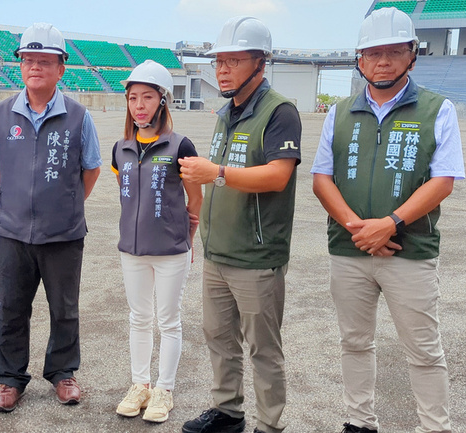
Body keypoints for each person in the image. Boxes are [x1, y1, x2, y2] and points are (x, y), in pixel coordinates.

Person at [311, 8, 464, 433]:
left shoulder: (438, 110)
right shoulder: (339, 113)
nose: (383, 61)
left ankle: (434, 427)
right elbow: (321, 178)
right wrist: (360, 228)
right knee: (355, 343)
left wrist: (390, 223)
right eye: (373, 53)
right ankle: (360, 423)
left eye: (394, 51)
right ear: (359, 59)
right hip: (349, 250)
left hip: (410, 252)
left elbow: (443, 180)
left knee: (424, 350)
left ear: (412, 55)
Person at [179, 16, 301, 433]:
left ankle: (269, 425)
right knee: (219, 338)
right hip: (218, 251)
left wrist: (215, 173)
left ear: (260, 64)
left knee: (263, 349)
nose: (223, 69)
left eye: (233, 61)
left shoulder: (279, 112)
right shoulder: (226, 112)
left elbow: (277, 175)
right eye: (219, 62)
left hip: (255, 255)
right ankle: (227, 412)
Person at [0, 22, 102, 413]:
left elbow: (91, 170)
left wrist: (61, 203)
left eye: (44, 61)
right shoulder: (2, 114)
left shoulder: (79, 116)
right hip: (13, 232)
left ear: (60, 68)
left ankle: (63, 373)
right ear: (20, 65)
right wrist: (23, 200)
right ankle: (10, 379)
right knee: (11, 308)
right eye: (28, 60)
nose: (34, 66)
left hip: (63, 234)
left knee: (64, 308)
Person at [112, 60, 203, 423]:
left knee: (168, 320)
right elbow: (125, 193)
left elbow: (194, 197)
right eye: (133, 98)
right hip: (132, 251)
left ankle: (164, 390)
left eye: (147, 97)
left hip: (170, 250)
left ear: (162, 100)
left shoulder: (181, 145)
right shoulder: (121, 148)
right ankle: (140, 385)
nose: (139, 105)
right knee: (139, 317)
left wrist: (187, 234)